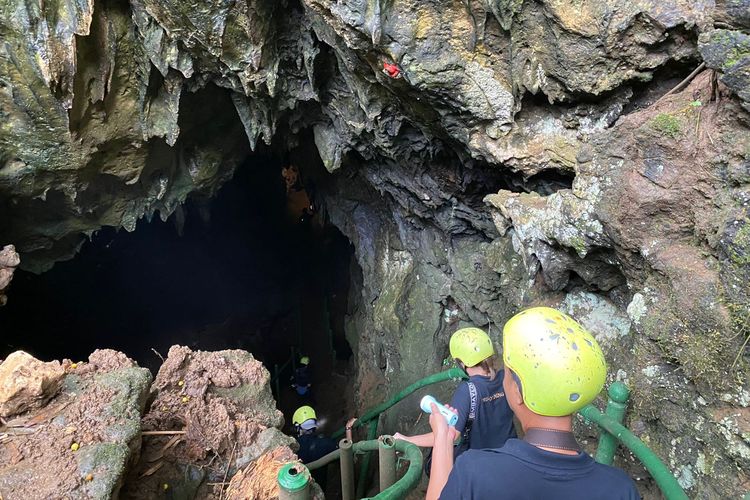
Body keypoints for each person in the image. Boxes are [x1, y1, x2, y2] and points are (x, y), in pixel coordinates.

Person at [427, 307, 641, 500]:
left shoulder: (474, 472)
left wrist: (442, 442)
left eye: (508, 372)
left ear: (518, 392)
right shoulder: (621, 489)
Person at [394, 328, 516, 467]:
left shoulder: (467, 391)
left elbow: (451, 436)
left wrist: (407, 440)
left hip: (480, 466)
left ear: (461, 362)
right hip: (509, 458)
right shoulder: (506, 379)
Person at [292, 406, 356, 489]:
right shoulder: (326, 443)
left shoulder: (291, 447)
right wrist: (348, 429)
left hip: (298, 489)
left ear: (297, 426)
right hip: (319, 489)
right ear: (314, 426)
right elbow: (347, 455)